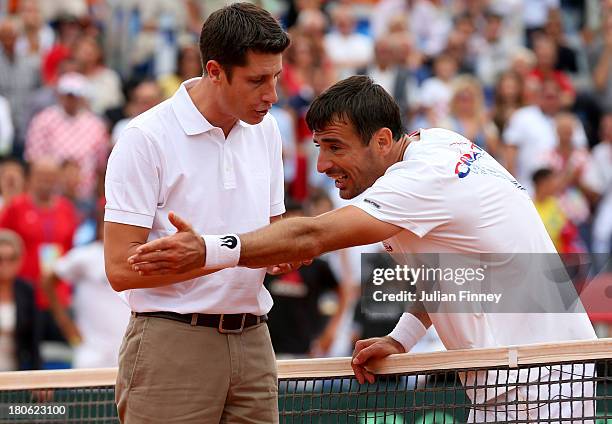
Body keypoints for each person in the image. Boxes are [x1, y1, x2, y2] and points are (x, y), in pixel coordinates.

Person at [130, 76, 597, 422]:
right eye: (317, 146)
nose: (322, 164)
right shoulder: (437, 145)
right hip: (524, 381)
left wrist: (207, 251)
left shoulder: (418, 181)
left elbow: (311, 236)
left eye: (335, 147)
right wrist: (402, 338)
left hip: (537, 389)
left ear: (382, 140)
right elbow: (452, 271)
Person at [103, 3, 289, 423]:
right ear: (214, 70)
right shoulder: (144, 138)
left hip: (256, 342)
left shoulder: (269, 129)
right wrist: (212, 257)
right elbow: (119, 269)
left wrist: (277, 253)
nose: (272, 95)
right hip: (171, 343)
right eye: (257, 80)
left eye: (275, 77)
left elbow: (270, 238)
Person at [0, 229, 40, 371]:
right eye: (0, 259)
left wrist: (38, 379)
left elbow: (33, 341)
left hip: (14, 374)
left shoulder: (26, 290)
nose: (5, 264)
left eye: (11, 258)